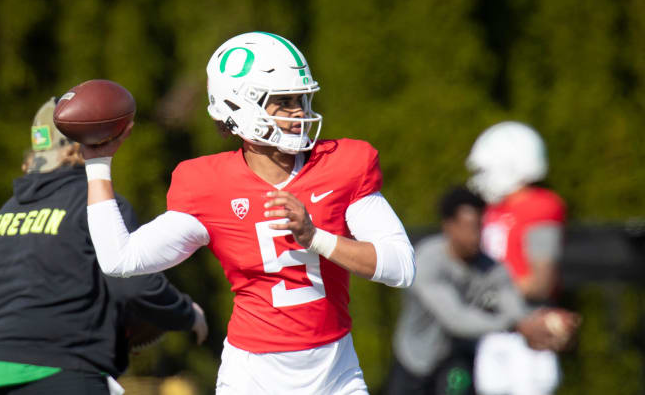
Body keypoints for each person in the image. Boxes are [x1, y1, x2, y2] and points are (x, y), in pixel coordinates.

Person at [81, 31, 416, 394]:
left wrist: (315, 238)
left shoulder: (342, 164)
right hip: (253, 376)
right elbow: (120, 258)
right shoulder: (207, 185)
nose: (299, 113)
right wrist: (98, 164)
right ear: (241, 108)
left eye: (301, 100)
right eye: (284, 102)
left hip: (336, 370)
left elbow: (402, 266)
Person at [0, 98, 208, 395]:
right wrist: (186, 313)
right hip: (57, 364)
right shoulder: (95, 205)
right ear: (83, 143)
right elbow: (132, 284)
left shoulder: (3, 214)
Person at [384, 186, 573, 395]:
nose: (475, 236)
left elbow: (513, 308)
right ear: (449, 226)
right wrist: (517, 326)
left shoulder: (491, 269)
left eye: (479, 227)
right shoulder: (428, 262)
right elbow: (456, 319)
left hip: (457, 360)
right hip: (416, 361)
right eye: (468, 227)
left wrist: (542, 322)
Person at [465, 121, 579, 395]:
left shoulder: (540, 206)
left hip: (529, 331)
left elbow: (540, 282)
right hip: (494, 328)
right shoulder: (494, 209)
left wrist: (486, 290)